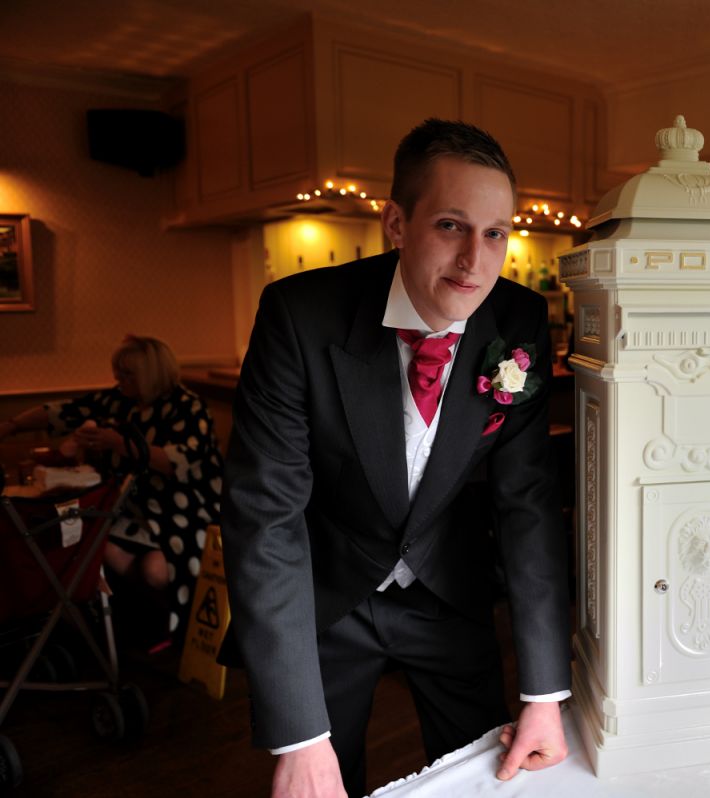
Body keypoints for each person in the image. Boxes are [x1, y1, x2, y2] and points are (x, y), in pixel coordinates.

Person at [221, 119, 570, 798]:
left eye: (496, 233)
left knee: (489, 779)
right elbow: (267, 514)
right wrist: (298, 736)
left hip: (450, 591)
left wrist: (545, 691)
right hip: (328, 596)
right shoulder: (300, 315)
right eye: (450, 225)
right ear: (396, 223)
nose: (476, 262)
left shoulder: (517, 319)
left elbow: (527, 504)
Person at [0, 334, 223, 644]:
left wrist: (118, 443)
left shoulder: (188, 406)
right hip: (132, 509)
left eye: (127, 373)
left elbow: (176, 464)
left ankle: (168, 629)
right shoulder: (118, 400)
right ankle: (132, 628)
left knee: (155, 570)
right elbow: (63, 411)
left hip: (184, 510)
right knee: (93, 548)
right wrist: (11, 425)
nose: (118, 378)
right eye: (118, 371)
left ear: (150, 374)